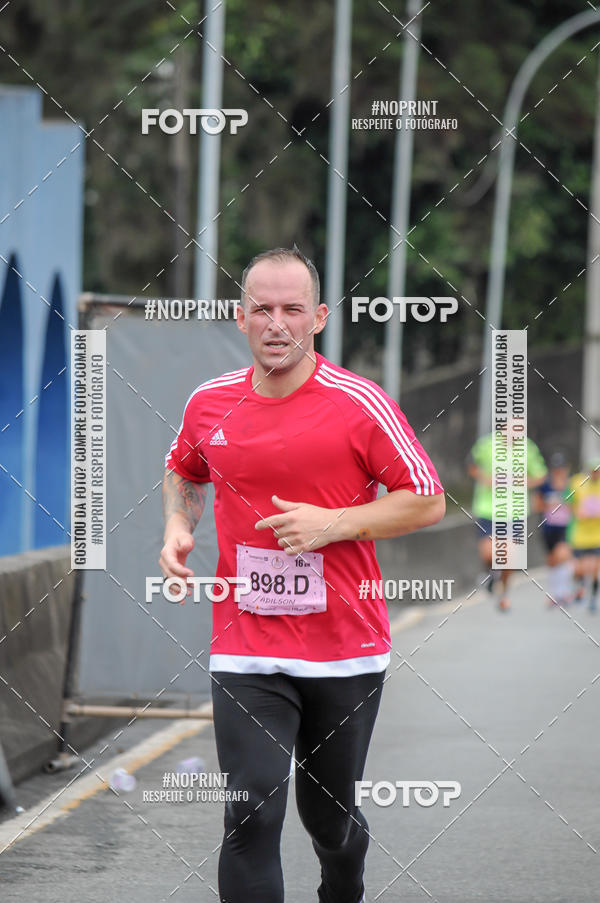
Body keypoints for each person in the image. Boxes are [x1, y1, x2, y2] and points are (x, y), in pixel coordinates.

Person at [159, 246, 445, 903]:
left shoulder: (359, 403)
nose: (277, 323)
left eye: (293, 309)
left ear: (318, 317)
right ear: (241, 318)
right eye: (263, 309)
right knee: (251, 811)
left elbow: (427, 498)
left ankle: (343, 874)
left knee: (329, 819)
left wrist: (333, 522)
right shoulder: (210, 403)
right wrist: (178, 527)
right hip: (247, 644)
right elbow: (183, 469)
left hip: (343, 649)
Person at [468, 429, 546, 611]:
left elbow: (541, 475)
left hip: (516, 512)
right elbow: (471, 465)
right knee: (489, 553)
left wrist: (521, 481)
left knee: (510, 558)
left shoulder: (528, 447)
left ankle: (503, 593)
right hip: (489, 510)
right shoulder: (486, 445)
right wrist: (487, 479)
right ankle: (491, 575)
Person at [534, 452, 574, 607]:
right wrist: (550, 504)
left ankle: (564, 592)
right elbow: (537, 505)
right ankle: (555, 593)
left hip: (566, 526)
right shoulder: (545, 485)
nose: (559, 471)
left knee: (563, 555)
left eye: (562, 468)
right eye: (557, 468)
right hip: (548, 526)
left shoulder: (572, 485)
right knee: (552, 560)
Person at [568, 458, 600, 612]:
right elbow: (567, 502)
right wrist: (576, 512)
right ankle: (579, 586)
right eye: (593, 471)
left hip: (597, 535)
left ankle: (593, 598)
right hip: (580, 535)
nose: (595, 474)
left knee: (594, 568)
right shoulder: (577, 483)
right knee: (580, 569)